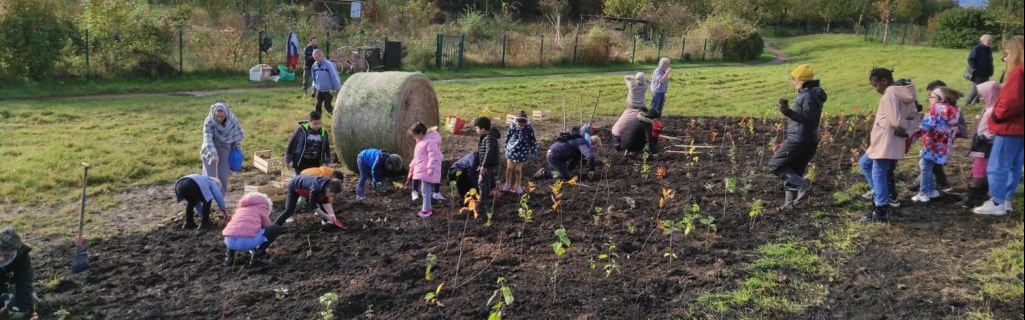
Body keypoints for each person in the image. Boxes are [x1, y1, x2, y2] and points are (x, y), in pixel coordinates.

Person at [859, 68, 920, 222]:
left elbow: (896, 121)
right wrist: (906, 130)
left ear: (884, 81)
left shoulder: (890, 94)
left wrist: (903, 127)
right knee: (865, 163)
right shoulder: (905, 94)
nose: (875, 89)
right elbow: (915, 119)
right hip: (887, 139)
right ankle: (880, 195)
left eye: (876, 85)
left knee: (879, 171)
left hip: (885, 139)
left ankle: (880, 209)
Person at [974, 35, 1024, 216]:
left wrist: (995, 117)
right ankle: (1006, 199)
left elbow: (1011, 101)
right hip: (1021, 129)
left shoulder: (1018, 72)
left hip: (1010, 127)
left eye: (1007, 53)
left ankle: (996, 201)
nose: (1005, 58)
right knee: (1014, 165)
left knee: (997, 165)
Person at [767, 64, 827, 210]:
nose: (793, 82)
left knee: (775, 165)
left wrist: (787, 111)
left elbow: (809, 119)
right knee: (792, 171)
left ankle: (803, 187)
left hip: (800, 140)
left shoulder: (809, 95)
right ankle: (789, 205)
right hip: (804, 139)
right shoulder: (811, 93)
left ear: (800, 80)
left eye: (794, 79)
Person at [911, 86, 962, 203]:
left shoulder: (936, 109)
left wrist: (913, 133)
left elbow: (926, 125)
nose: (929, 99)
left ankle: (923, 193)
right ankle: (931, 191)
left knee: (925, 165)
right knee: (927, 165)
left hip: (931, 143)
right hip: (942, 145)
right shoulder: (954, 110)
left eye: (932, 97)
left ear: (940, 98)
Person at [961, 81, 1002, 208]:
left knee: (978, 170)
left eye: (982, 95)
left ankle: (971, 198)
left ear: (990, 94)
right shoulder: (990, 108)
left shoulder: (993, 111)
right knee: (982, 169)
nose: (980, 98)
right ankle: (982, 194)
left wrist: (985, 137)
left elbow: (995, 129)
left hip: (985, 144)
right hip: (982, 143)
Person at [223, 192, 281, 265]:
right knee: (275, 228)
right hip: (247, 243)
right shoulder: (262, 208)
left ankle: (229, 257)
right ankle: (258, 256)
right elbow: (267, 226)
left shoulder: (240, 209)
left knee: (235, 229)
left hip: (229, 243)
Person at [201, 102, 244, 194]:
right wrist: (214, 154)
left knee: (223, 176)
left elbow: (237, 134)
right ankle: (208, 198)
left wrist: (235, 147)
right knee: (210, 177)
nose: (219, 119)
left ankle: (221, 198)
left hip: (225, 148)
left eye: (221, 116)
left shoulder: (232, 120)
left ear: (226, 114)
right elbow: (207, 138)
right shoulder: (209, 121)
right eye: (217, 116)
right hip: (210, 149)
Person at [275, 175, 345, 229]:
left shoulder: (327, 184)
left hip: (307, 186)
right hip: (294, 186)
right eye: (332, 194)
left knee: (322, 200)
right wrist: (326, 215)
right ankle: (274, 226)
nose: (332, 196)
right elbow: (313, 206)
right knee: (289, 210)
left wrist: (332, 215)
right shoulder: (315, 189)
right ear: (328, 189)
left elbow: (325, 202)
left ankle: (327, 222)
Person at [406, 122, 444, 217]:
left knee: (426, 190)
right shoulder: (420, 142)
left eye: (415, 135)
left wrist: (431, 167)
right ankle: (426, 209)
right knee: (424, 190)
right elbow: (417, 158)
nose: (414, 138)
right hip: (423, 169)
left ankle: (426, 210)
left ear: (421, 133)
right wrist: (411, 168)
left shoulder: (430, 141)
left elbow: (433, 155)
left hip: (428, 170)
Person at [536, 130, 603, 181]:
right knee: (565, 177)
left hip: (559, 156)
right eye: (596, 148)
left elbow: (575, 160)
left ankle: (563, 173)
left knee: (566, 175)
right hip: (554, 155)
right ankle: (543, 172)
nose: (595, 150)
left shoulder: (581, 142)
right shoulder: (583, 143)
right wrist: (591, 171)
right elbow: (590, 157)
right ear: (593, 143)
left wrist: (569, 170)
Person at [0, 228, 33, 320]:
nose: (1, 259)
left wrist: (24, 310)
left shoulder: (22, 256)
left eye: (7, 255)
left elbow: (24, 282)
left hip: (9, 282)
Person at [503, 111, 539, 195]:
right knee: (509, 168)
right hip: (511, 150)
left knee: (518, 170)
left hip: (522, 151)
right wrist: (505, 147)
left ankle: (517, 185)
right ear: (517, 121)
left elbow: (532, 141)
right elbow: (508, 136)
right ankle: (507, 183)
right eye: (519, 123)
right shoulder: (512, 127)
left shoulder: (528, 129)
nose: (521, 125)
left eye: (522, 124)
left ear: (526, 122)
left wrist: (534, 152)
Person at [474, 117, 501, 212]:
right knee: (486, 182)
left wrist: (484, 165)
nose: (476, 130)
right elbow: (483, 153)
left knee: (482, 183)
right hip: (487, 164)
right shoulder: (486, 137)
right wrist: (481, 164)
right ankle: (485, 201)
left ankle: (482, 204)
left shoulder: (489, 138)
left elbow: (489, 152)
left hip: (488, 164)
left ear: (483, 129)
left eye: (477, 128)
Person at [966, 34, 995, 105]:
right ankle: (967, 103)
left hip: (986, 73)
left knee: (983, 89)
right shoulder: (977, 48)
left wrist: (991, 71)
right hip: (979, 73)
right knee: (976, 89)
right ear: (982, 40)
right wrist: (976, 69)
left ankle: (974, 103)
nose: (990, 42)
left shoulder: (988, 49)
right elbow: (970, 59)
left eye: (991, 40)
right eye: (988, 40)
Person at [311, 49, 341, 115]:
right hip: (319, 90)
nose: (316, 59)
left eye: (317, 57)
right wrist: (313, 90)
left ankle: (337, 117)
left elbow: (334, 77)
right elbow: (314, 79)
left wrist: (338, 90)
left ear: (321, 55)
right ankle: (317, 122)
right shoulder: (314, 66)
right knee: (317, 106)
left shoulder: (328, 65)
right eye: (315, 58)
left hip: (328, 91)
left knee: (327, 106)